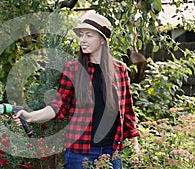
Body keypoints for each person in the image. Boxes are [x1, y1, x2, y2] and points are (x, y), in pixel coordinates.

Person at [13, 10, 140, 169]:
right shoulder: (73, 69)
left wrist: (135, 146)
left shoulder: (119, 70)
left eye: (89, 35)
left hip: (113, 152)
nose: (83, 40)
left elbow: (127, 110)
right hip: (80, 154)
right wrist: (30, 116)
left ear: (102, 40)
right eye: (81, 35)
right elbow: (58, 106)